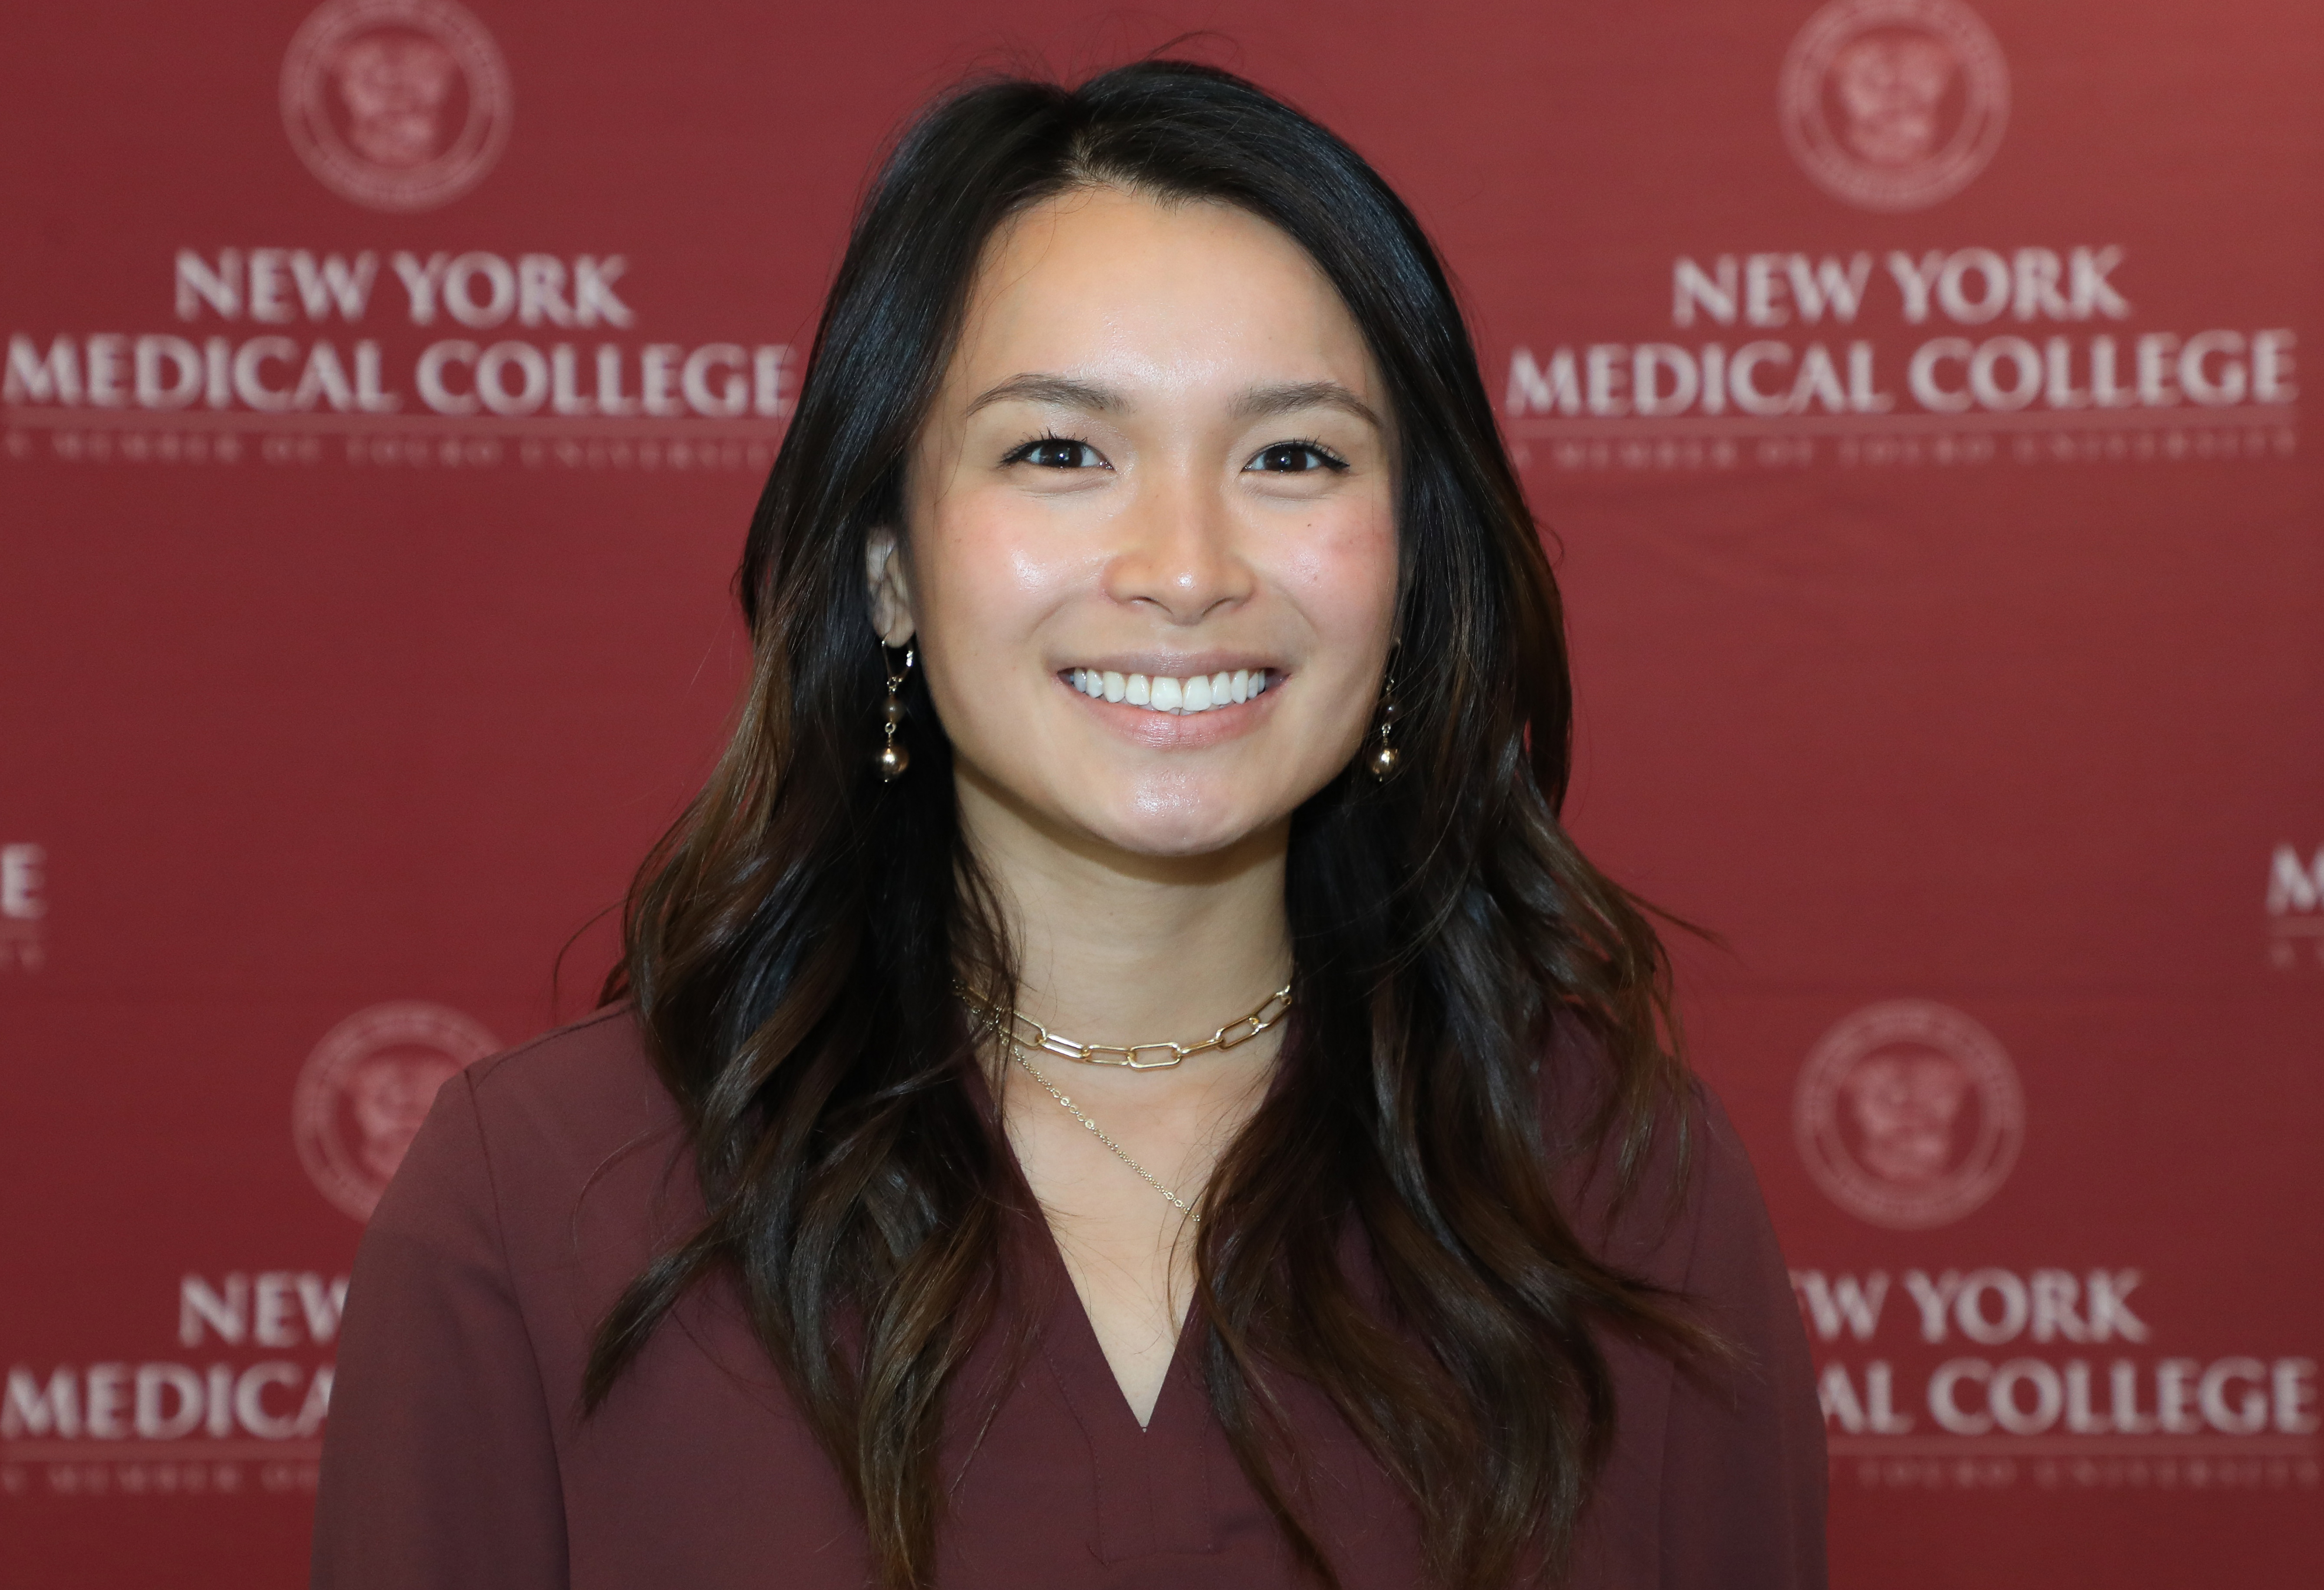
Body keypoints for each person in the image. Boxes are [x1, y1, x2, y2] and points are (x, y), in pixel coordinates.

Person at [311, 60, 1826, 1590]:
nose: (1185, 565)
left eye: (1293, 455)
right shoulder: (542, 1199)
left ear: (1413, 567)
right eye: (1060, 451)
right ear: (889, 565)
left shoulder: (1619, 1191)